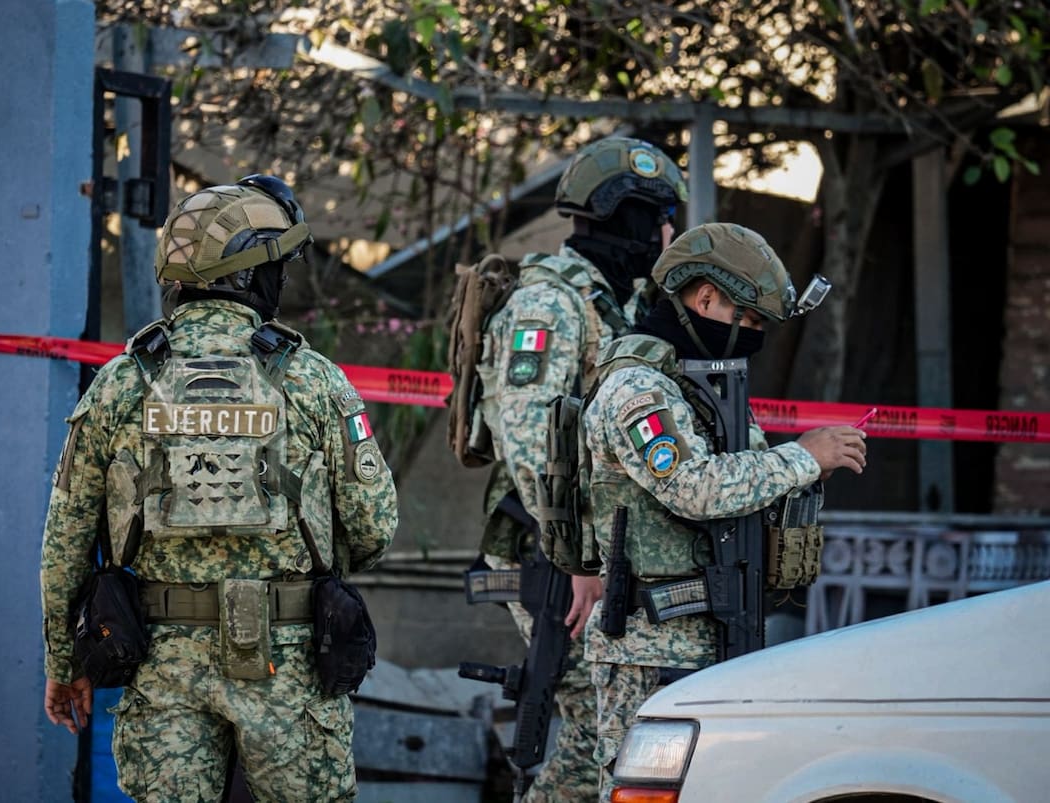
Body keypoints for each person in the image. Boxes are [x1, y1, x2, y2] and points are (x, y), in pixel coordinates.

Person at [40, 178, 398, 801]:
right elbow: (373, 527)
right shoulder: (312, 381)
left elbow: (66, 541)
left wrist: (63, 663)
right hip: (288, 668)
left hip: (160, 665)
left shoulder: (123, 382)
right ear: (252, 274)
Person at [580, 222, 867, 801]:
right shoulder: (640, 389)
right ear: (706, 298)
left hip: (708, 635)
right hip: (648, 646)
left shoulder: (696, 386)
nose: (755, 337)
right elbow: (696, 488)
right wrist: (803, 457)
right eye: (752, 320)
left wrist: (807, 469)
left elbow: (751, 479)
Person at [472, 136, 687, 800]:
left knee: (613, 730)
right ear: (624, 215)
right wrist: (578, 558)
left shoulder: (615, 303)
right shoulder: (550, 306)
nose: (668, 233)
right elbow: (529, 438)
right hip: (552, 553)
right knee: (605, 726)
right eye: (658, 217)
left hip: (600, 553)